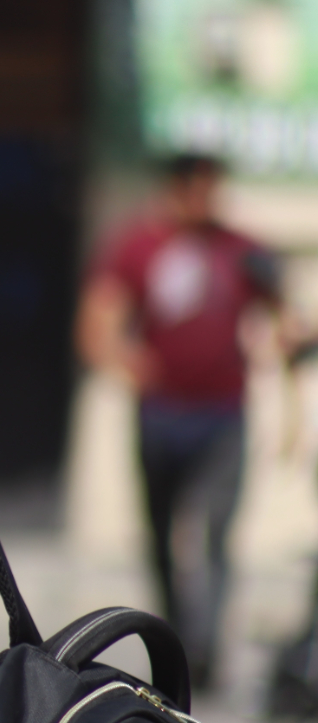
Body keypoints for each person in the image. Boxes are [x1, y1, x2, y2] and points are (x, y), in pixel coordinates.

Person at [76, 153, 280, 690]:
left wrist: (283, 340)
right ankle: (177, 635)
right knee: (162, 532)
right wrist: (126, 362)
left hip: (223, 413)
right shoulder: (140, 246)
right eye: (195, 188)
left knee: (217, 531)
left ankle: (207, 649)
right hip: (163, 413)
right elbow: (100, 319)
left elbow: (281, 309)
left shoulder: (240, 250)